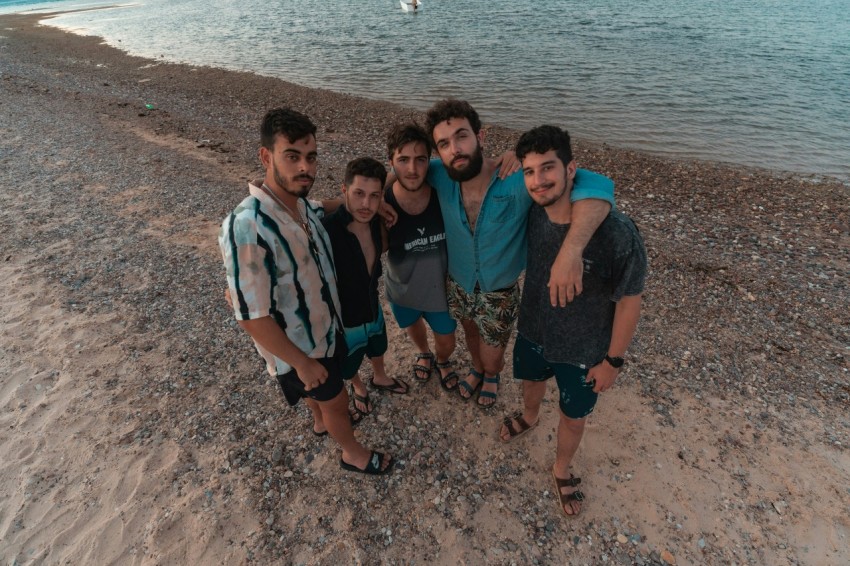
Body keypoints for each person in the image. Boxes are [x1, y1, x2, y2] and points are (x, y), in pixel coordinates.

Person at [219, 107, 392, 475]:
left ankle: (318, 421)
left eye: (311, 157)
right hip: (301, 346)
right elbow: (251, 315)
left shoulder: (301, 207)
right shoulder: (248, 225)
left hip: (326, 330)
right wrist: (302, 363)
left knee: (321, 402)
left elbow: (325, 205)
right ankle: (352, 453)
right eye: (292, 156)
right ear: (266, 156)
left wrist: (371, 208)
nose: (305, 167)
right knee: (336, 401)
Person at [423, 99, 616, 408]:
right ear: (438, 152)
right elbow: (398, 171)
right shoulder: (439, 175)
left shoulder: (517, 180)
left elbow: (599, 185)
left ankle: (491, 374)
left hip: (499, 289)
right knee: (469, 330)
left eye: (462, 136)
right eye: (444, 143)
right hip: (456, 281)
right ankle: (476, 368)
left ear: (480, 138)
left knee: (493, 351)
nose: (455, 148)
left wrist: (571, 251)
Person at [498, 125, 647, 516]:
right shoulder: (532, 210)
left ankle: (561, 468)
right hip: (533, 328)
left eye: (548, 168)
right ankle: (530, 417)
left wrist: (612, 361)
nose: (538, 180)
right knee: (531, 382)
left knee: (573, 417)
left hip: (584, 350)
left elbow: (631, 301)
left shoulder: (617, 232)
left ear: (571, 170)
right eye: (530, 171)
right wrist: (506, 159)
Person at [322, 157, 409, 419]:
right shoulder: (326, 229)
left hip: (372, 305)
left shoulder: (377, 222)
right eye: (358, 194)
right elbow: (290, 211)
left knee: (378, 345)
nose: (365, 204)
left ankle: (380, 377)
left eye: (374, 196)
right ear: (344, 190)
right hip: (343, 317)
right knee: (348, 363)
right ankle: (358, 386)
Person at [383, 123, 459, 391]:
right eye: (403, 160)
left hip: (442, 291)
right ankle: (424, 353)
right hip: (402, 287)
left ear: (431, 161)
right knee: (412, 325)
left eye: (420, 160)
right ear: (391, 162)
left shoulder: (445, 193)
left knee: (448, 340)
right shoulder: (381, 203)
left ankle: (441, 359)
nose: (412, 169)